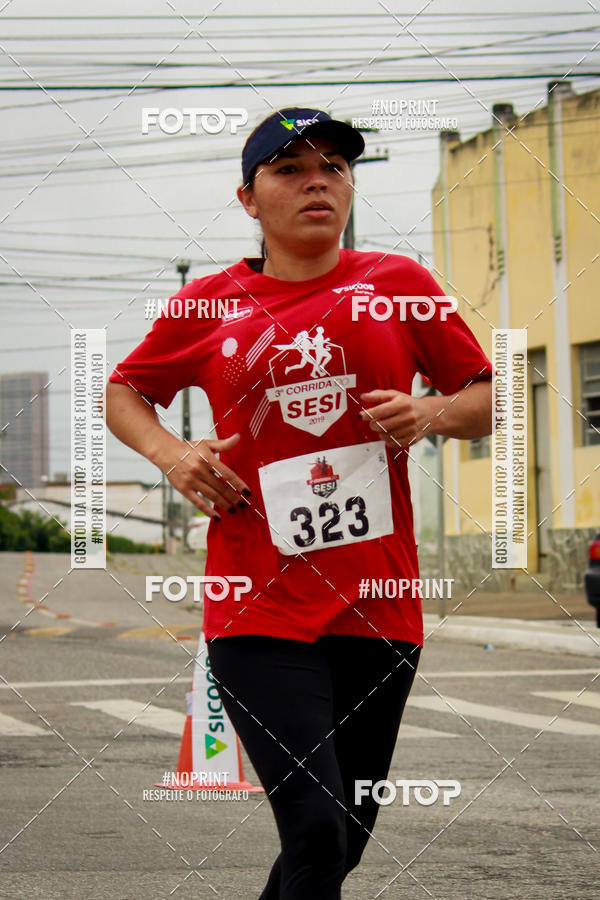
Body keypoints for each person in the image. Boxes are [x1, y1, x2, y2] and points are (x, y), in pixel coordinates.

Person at [105, 106, 493, 898]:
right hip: (257, 610)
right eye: (288, 169)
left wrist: (432, 413)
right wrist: (173, 454)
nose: (317, 180)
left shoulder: (400, 286)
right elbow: (124, 394)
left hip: (378, 608)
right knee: (315, 830)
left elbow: (487, 397)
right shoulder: (209, 304)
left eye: (334, 167)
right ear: (249, 199)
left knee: (340, 843)